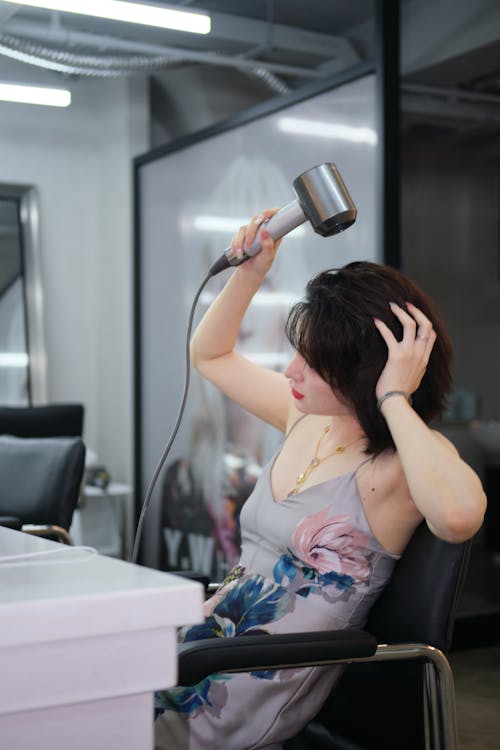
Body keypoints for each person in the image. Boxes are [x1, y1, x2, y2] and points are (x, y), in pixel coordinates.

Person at [154, 208, 486, 750]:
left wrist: (395, 397)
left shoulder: (394, 470)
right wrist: (252, 271)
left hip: (237, 697)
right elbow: (209, 355)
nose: (291, 372)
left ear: (369, 371)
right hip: (201, 651)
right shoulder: (307, 417)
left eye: (312, 361)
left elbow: (457, 518)